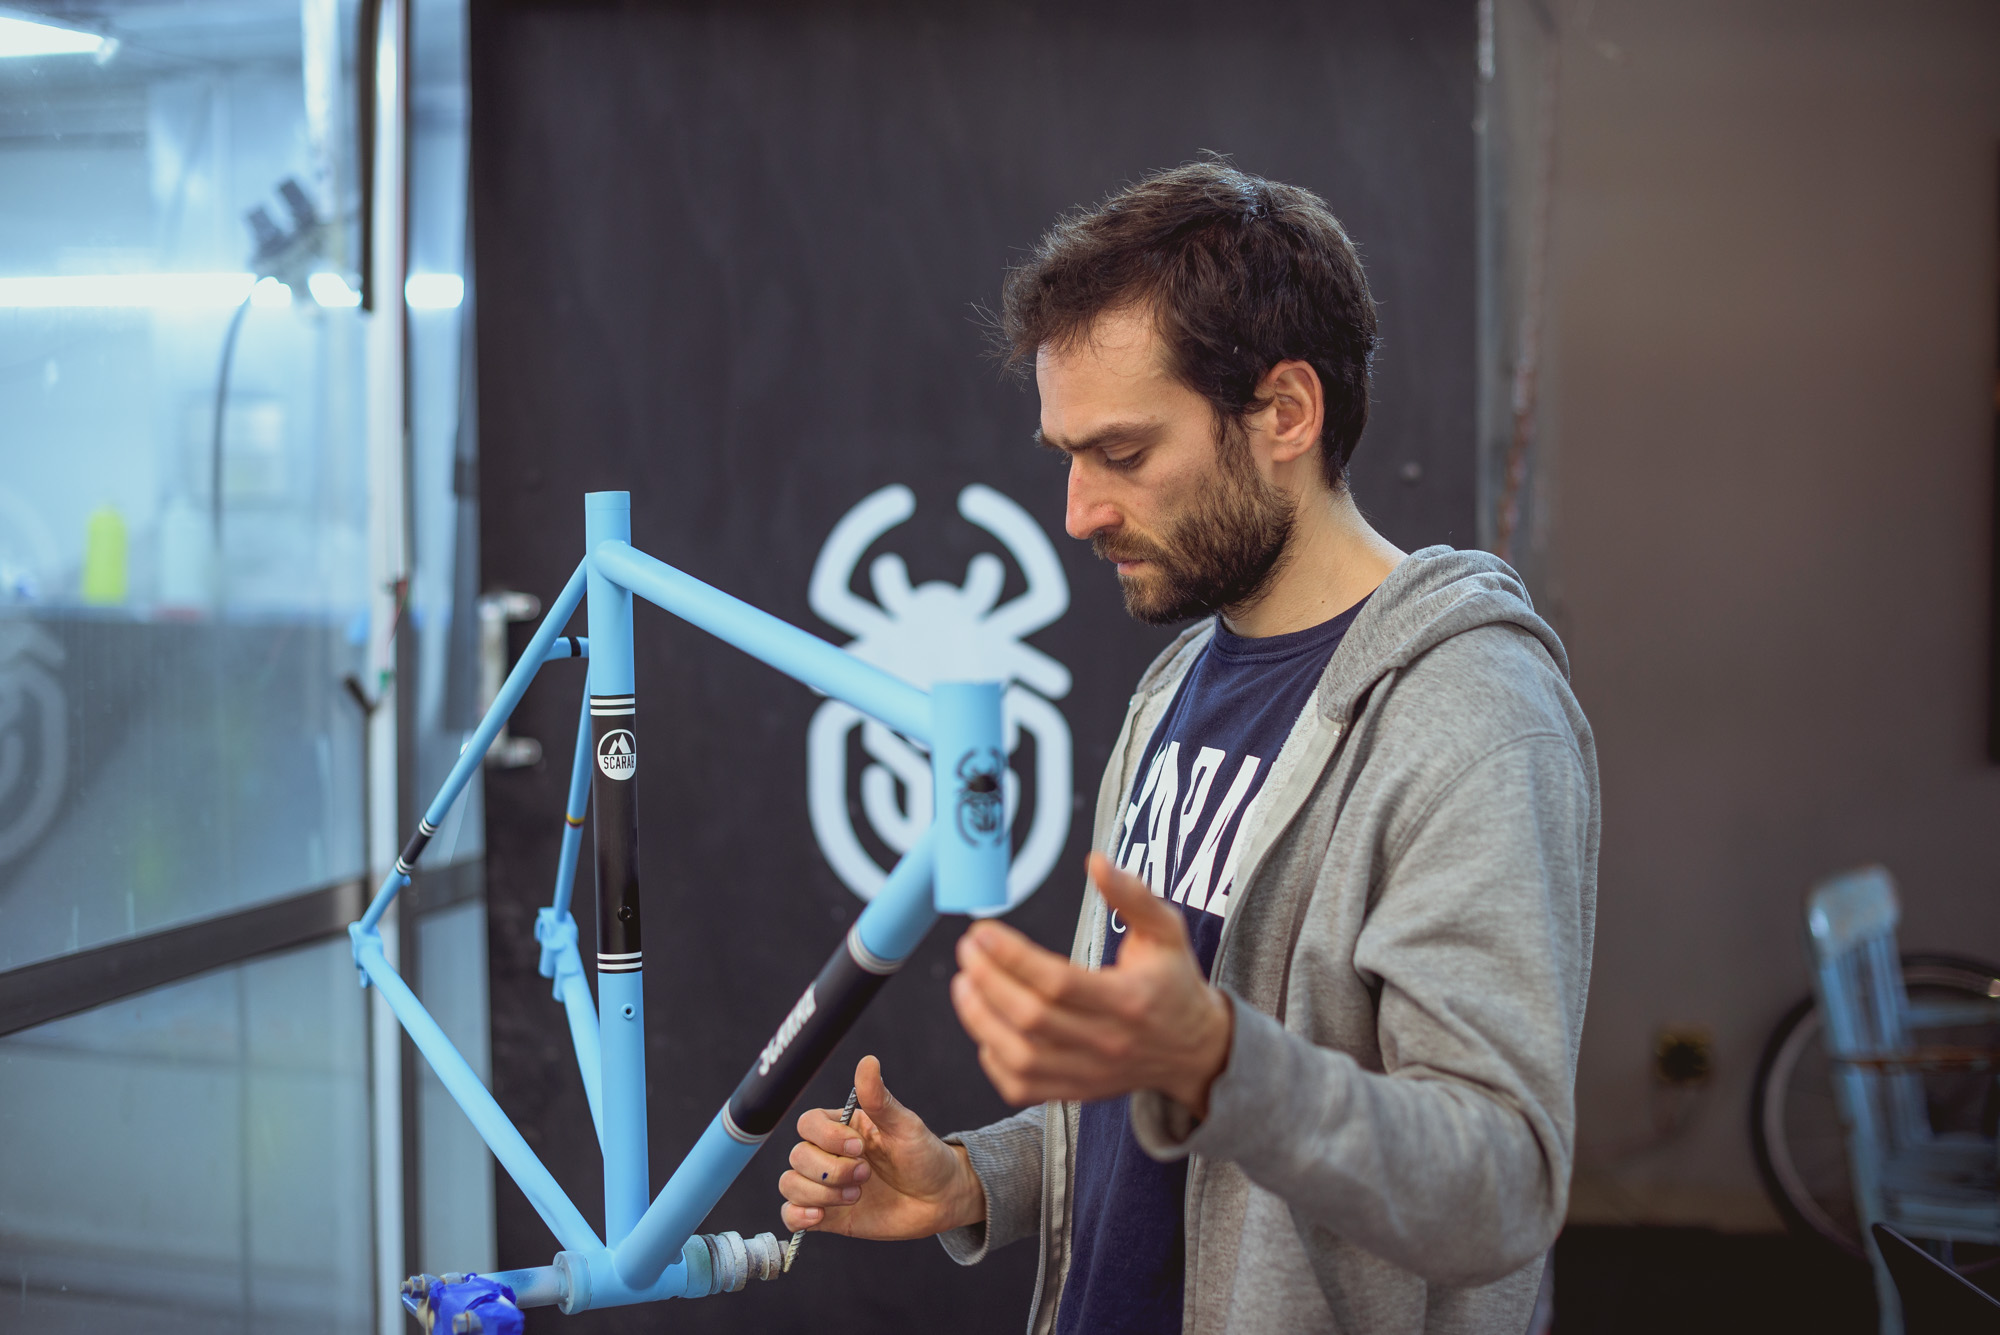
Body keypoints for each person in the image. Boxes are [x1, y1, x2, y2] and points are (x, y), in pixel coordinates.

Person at [777, 160, 1598, 1335]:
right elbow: (1149, 1118)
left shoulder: (1469, 715)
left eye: (1122, 454)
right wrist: (974, 1179)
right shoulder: (1175, 683)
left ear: (1284, 414)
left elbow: (1498, 1186)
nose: (1078, 512)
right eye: (1065, 456)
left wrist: (1217, 1060)